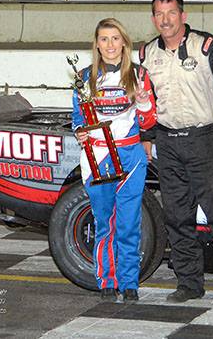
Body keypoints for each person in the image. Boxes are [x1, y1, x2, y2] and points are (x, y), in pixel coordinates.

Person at [139, 0, 213, 305]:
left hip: (204, 141)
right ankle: (189, 284)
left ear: (183, 16)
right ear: (153, 19)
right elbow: (146, 102)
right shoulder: (146, 54)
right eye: (159, 14)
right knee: (177, 218)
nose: (165, 20)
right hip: (167, 143)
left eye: (171, 13)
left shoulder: (206, 46)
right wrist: (147, 137)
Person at [72, 18, 156, 303]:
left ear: (124, 42)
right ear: (97, 44)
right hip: (97, 156)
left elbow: (149, 122)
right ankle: (107, 280)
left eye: (115, 38)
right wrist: (80, 132)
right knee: (104, 222)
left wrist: (143, 102)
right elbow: (78, 117)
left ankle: (130, 282)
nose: (110, 45)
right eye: (104, 39)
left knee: (129, 223)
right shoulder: (84, 77)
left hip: (130, 156)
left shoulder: (139, 74)